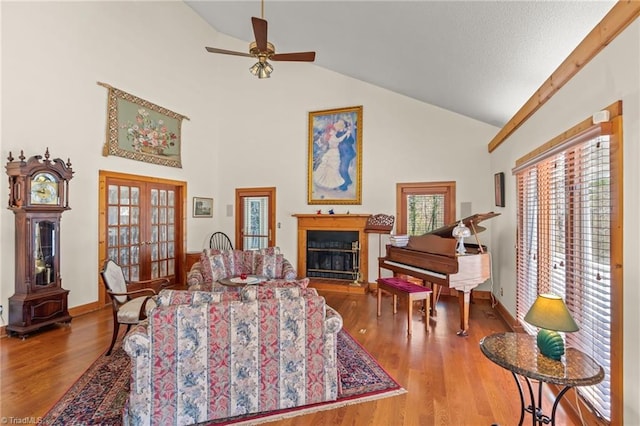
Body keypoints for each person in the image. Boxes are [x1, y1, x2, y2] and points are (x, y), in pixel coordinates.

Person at [313, 124, 345, 189]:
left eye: (333, 130)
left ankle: (333, 184)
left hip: (335, 153)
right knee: (332, 169)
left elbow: (338, 139)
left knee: (334, 169)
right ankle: (331, 184)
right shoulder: (332, 137)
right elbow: (339, 140)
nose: (333, 131)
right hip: (332, 154)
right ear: (330, 131)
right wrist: (346, 134)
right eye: (332, 130)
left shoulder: (333, 136)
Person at [335, 119, 356, 191]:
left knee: (343, 169)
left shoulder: (347, 132)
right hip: (341, 154)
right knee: (342, 169)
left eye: (340, 125)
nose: (339, 127)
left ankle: (344, 186)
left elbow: (352, 141)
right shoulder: (337, 134)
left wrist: (349, 134)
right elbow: (337, 141)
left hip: (348, 154)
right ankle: (348, 181)